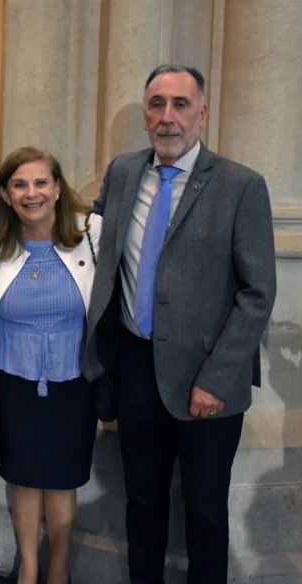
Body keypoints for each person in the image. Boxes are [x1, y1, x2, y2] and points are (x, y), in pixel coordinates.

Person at [82, 64, 276, 583]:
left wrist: (216, 378)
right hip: (137, 368)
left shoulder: (241, 186)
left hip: (206, 378)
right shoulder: (123, 172)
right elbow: (96, 239)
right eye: (156, 104)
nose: (167, 117)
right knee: (142, 504)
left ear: (202, 114)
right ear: (145, 114)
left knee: (205, 511)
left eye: (180, 105)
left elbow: (257, 294)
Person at [0, 146, 99, 584]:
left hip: (73, 384)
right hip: (15, 382)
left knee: (62, 480)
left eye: (41, 182)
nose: (32, 193)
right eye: (20, 185)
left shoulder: (90, 237)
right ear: (7, 195)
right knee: (25, 479)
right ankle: (29, 565)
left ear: (58, 188)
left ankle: (59, 568)